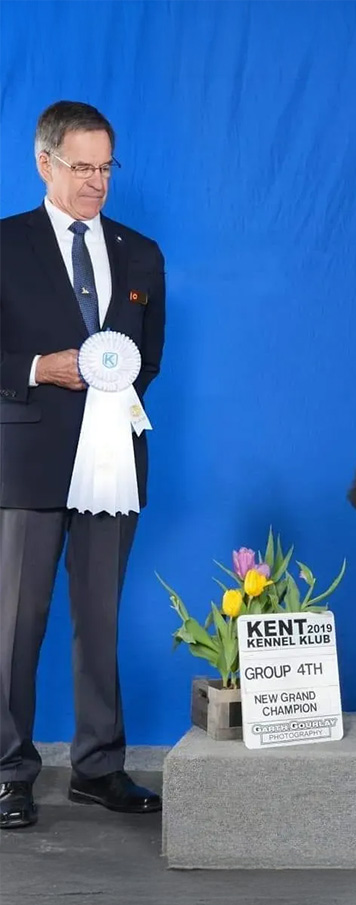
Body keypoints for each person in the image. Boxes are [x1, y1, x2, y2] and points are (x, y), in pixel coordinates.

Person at [0, 101, 166, 829]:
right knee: (16, 623)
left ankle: (99, 767)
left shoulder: (142, 252)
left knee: (99, 619)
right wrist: (39, 368)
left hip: (112, 465)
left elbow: (146, 358)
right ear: (45, 163)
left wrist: (107, 411)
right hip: (24, 461)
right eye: (82, 167)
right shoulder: (4, 245)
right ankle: (8, 772)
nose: (96, 182)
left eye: (105, 167)